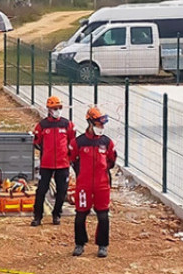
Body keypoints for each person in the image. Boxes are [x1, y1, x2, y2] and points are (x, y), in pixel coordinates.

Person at [70, 106, 117, 258]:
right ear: (90, 123)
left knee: (103, 216)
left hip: (102, 185)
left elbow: (111, 160)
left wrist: (102, 173)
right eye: (98, 124)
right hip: (83, 185)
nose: (101, 127)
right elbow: (72, 158)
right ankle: (79, 243)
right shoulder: (79, 142)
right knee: (80, 215)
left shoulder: (107, 142)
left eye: (103, 125)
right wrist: (81, 173)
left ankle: (102, 245)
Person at [31, 96, 76, 227]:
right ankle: (37, 217)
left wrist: (69, 157)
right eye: (55, 108)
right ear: (49, 109)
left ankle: (56, 214)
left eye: (59, 108)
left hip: (63, 164)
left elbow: (72, 142)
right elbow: (36, 141)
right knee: (41, 191)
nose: (57, 110)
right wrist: (45, 152)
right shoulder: (42, 125)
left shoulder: (67, 124)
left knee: (62, 191)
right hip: (46, 164)